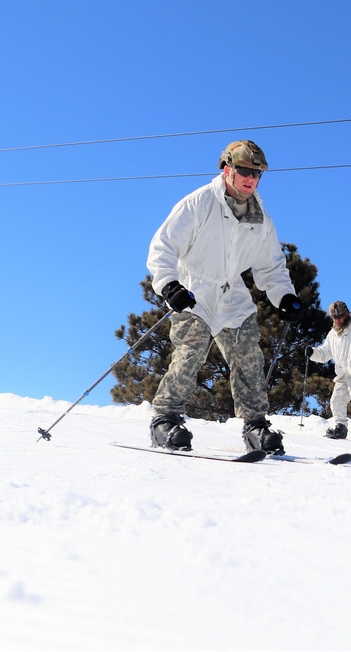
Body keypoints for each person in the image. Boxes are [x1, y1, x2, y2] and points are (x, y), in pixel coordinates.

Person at [145, 140, 303, 455]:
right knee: (190, 354)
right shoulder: (198, 203)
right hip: (194, 291)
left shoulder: (261, 220)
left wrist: (285, 297)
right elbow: (163, 247)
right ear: (227, 168)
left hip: (232, 296)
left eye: (257, 174)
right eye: (244, 171)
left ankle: (256, 426)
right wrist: (169, 285)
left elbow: (270, 267)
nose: (251, 179)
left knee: (249, 359)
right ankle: (164, 420)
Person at [305, 300, 351, 442]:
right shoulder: (333, 334)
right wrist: (313, 353)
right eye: (334, 317)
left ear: (346, 315)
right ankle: (340, 427)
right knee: (336, 400)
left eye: (340, 317)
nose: (337, 320)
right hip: (343, 374)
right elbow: (325, 353)